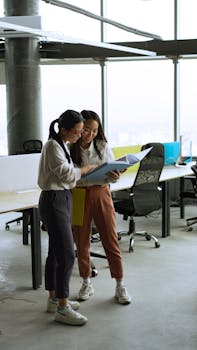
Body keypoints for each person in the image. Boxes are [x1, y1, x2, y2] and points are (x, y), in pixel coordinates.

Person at [38, 109, 95, 326]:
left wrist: (80, 172)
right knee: (67, 254)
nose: (80, 136)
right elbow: (67, 174)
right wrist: (87, 169)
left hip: (62, 197)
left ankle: (54, 298)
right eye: (77, 132)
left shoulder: (61, 144)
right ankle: (62, 307)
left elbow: (68, 175)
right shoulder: (53, 146)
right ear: (64, 130)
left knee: (55, 250)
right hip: (54, 199)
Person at [70, 110, 131, 305]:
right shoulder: (70, 148)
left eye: (95, 130)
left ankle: (120, 285)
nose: (90, 134)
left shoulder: (103, 146)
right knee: (81, 241)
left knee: (110, 238)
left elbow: (112, 171)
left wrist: (115, 175)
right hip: (79, 195)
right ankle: (86, 282)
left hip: (101, 193)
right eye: (87, 129)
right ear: (79, 128)